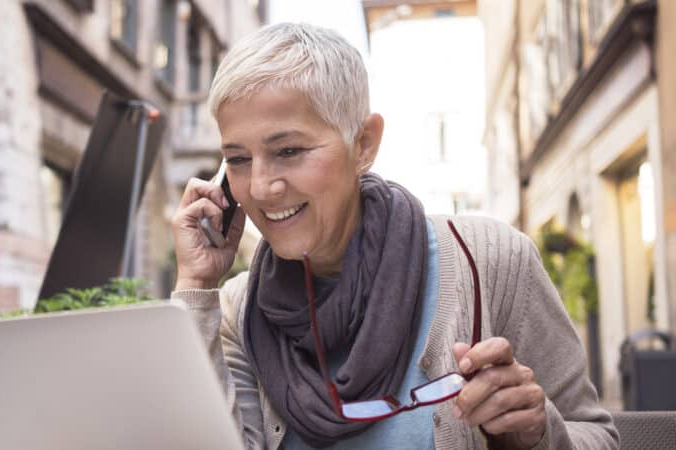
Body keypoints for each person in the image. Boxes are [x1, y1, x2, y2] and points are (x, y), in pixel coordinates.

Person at [170, 22, 618, 450]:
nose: (263, 186)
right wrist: (195, 285)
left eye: (288, 150)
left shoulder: (492, 260)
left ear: (364, 144)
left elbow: (597, 436)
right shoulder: (236, 311)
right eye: (239, 159)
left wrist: (534, 433)